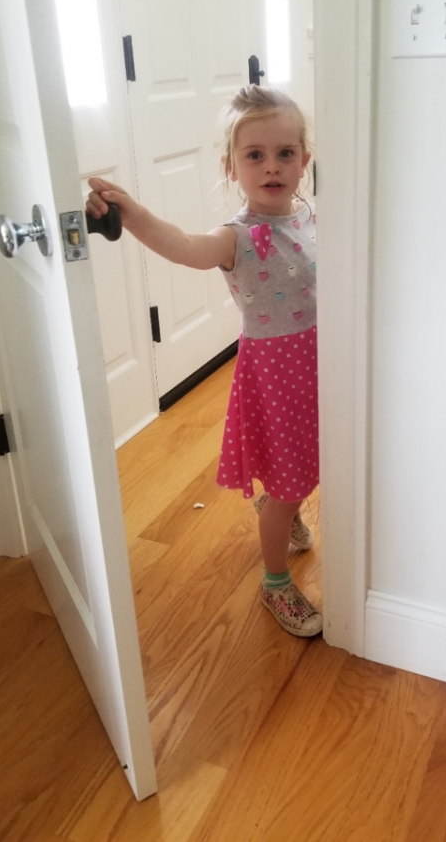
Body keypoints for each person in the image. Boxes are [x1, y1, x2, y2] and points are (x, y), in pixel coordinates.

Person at [86, 85, 321, 638]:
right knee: (290, 483)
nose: (271, 167)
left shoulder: (309, 218)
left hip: (316, 367)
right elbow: (181, 247)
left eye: (285, 153)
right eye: (254, 155)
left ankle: (281, 511)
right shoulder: (234, 237)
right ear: (231, 166)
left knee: (309, 460)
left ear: (304, 161)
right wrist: (134, 213)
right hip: (276, 375)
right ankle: (276, 581)